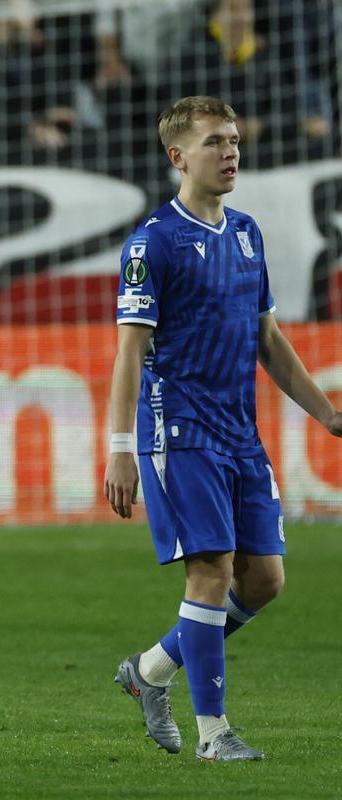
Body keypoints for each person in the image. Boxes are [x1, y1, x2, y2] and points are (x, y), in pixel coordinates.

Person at [104, 95, 342, 762]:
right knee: (210, 573)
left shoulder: (246, 234)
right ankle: (215, 734)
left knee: (263, 580)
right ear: (179, 156)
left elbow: (267, 338)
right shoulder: (153, 243)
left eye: (234, 139)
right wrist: (121, 450)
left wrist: (326, 412)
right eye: (214, 141)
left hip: (240, 433)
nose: (231, 151)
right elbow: (128, 352)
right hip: (179, 433)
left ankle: (149, 670)